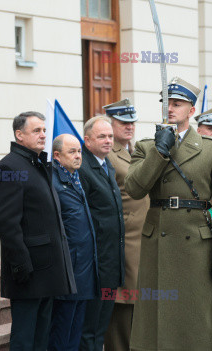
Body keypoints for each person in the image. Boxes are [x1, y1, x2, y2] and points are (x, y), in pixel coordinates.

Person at [125, 77, 212, 351]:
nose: (169, 109)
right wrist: (159, 152)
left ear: (191, 111)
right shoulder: (147, 147)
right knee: (155, 329)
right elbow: (134, 189)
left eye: (177, 103)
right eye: (166, 103)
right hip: (157, 245)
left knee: (194, 327)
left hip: (196, 247)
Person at [0, 111, 76, 351]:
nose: (43, 135)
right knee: (25, 339)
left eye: (44, 130)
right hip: (29, 271)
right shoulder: (10, 166)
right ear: (19, 135)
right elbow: (7, 224)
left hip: (47, 269)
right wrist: (20, 265)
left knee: (41, 339)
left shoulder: (38, 163)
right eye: (36, 131)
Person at [102, 99, 149, 351]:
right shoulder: (108, 154)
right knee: (122, 310)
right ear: (111, 124)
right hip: (125, 239)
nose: (129, 126)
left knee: (136, 310)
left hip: (142, 240)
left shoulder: (135, 151)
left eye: (132, 122)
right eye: (123, 122)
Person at [78, 116, 125, 351]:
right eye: (101, 136)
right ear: (87, 141)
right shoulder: (83, 168)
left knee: (100, 328)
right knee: (89, 331)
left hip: (109, 264)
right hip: (94, 266)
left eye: (109, 136)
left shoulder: (107, 165)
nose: (108, 141)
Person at [48, 134, 99, 351]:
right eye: (72, 152)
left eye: (79, 151)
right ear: (57, 156)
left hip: (83, 269)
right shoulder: (54, 182)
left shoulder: (74, 178)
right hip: (67, 270)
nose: (78, 156)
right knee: (61, 334)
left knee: (75, 334)